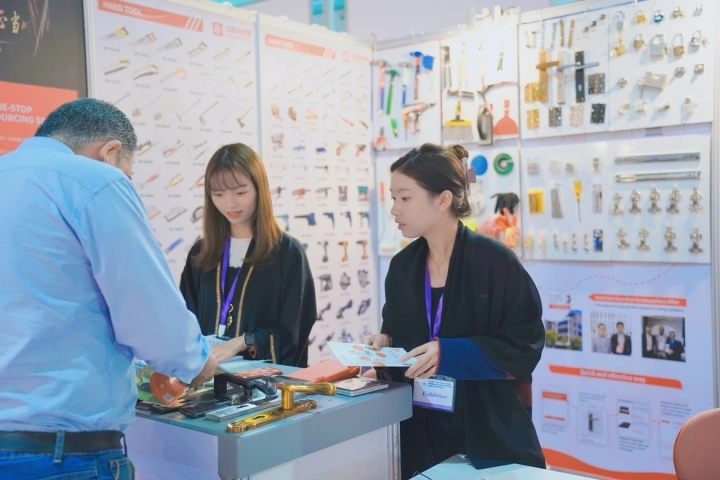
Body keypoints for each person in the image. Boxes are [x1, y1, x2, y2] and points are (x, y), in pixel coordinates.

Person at [0, 98, 217, 480]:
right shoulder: (95, 179)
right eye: (129, 173)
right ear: (111, 152)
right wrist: (196, 362)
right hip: (62, 455)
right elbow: (149, 313)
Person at [363, 143, 546, 478]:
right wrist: (384, 340)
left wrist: (450, 353)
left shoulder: (494, 262)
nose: (394, 209)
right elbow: (397, 329)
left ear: (442, 199)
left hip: (488, 434)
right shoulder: (403, 267)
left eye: (405, 198)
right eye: (393, 198)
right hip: (419, 432)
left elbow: (525, 344)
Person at [180, 143, 316, 367]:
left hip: (263, 389)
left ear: (259, 189)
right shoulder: (201, 253)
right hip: (206, 384)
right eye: (218, 194)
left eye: (240, 192)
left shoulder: (288, 254)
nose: (230, 203)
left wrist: (244, 341)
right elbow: (185, 321)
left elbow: (294, 333)